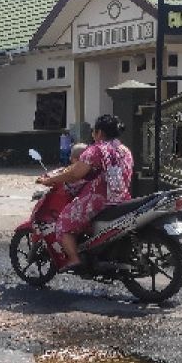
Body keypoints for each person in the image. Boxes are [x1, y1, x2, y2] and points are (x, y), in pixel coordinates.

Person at [37, 114, 133, 271]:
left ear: (99, 132)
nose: (93, 135)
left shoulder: (96, 150)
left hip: (99, 200)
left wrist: (51, 180)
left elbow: (75, 174)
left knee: (63, 224)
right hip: (122, 198)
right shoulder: (124, 150)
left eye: (94, 131)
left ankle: (74, 259)